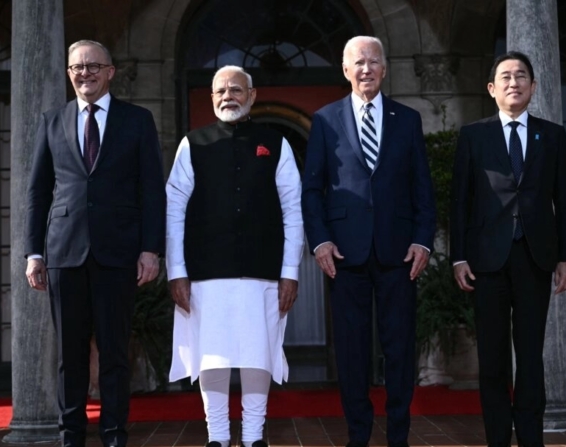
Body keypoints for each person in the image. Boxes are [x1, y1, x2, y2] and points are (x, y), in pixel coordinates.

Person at [24, 40, 166, 447]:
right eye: (75, 68)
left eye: (91, 66)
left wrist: (150, 249)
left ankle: (114, 435)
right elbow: (38, 193)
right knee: (70, 357)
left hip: (118, 253)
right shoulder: (52, 121)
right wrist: (34, 253)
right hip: (64, 253)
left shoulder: (138, 120)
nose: (83, 74)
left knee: (115, 353)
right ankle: (70, 437)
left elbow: (152, 190)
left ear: (110, 72)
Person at [301, 36, 436, 447]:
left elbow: (422, 188)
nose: (366, 70)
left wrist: (423, 241)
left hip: (399, 253)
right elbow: (312, 190)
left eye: (373, 62)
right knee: (352, 353)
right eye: (358, 63)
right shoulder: (324, 120)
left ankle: (399, 437)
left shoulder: (407, 119)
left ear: (384, 67)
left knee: (399, 350)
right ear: (345, 70)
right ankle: (357, 436)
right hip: (344, 254)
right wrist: (321, 242)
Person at [166, 65, 303, 447]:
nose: (228, 96)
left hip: (264, 272)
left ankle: (255, 436)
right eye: (220, 91)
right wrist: (176, 270)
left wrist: (290, 271)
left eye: (236, 90)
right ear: (211, 98)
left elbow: (293, 207)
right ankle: (218, 437)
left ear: (252, 95)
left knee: (258, 354)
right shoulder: (193, 144)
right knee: (213, 356)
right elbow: (174, 208)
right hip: (205, 272)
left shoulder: (276, 143)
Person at [450, 51, 566, 447]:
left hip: (535, 258)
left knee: (530, 356)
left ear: (533, 87)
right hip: (487, 260)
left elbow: (565, 201)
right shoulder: (474, 135)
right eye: (505, 76)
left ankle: (531, 439)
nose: (513, 82)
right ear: (491, 89)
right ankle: (498, 440)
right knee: (492, 360)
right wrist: (458, 256)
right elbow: (460, 201)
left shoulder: (552, 135)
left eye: (521, 76)